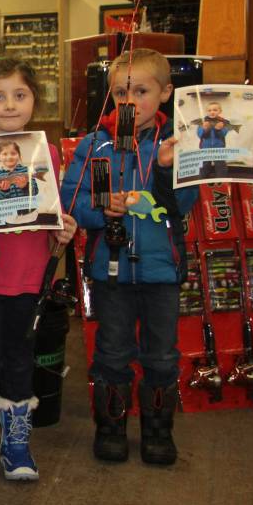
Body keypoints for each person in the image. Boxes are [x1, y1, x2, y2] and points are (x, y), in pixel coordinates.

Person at [61, 49, 197, 466]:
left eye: (141, 90)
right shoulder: (93, 144)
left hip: (161, 271)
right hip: (110, 271)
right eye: (121, 92)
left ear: (166, 93)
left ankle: (158, 431)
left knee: (161, 356)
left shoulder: (178, 141)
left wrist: (162, 168)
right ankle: (112, 427)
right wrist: (102, 209)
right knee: (112, 353)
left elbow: (183, 203)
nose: (130, 101)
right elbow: (70, 201)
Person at [0, 57, 77, 483]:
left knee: (21, 359)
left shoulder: (49, 154)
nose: (9, 105)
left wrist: (63, 228)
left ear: (34, 101)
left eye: (19, 95)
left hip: (29, 278)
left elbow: (52, 215)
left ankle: (18, 441)